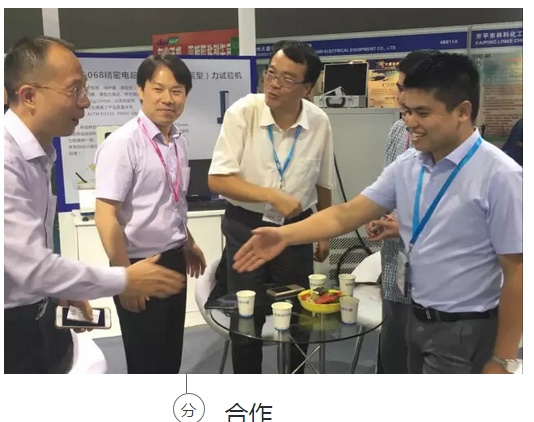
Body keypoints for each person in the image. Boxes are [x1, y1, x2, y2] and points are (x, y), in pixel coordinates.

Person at [234, 52, 523, 374]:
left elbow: (518, 272)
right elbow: (346, 214)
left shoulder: (500, 176)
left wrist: (503, 359)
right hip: (415, 316)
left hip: (465, 330)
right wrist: (283, 235)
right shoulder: (410, 164)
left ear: (462, 112)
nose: (410, 122)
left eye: (422, 113)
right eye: (407, 111)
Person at [4, 36, 186, 374]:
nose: (85, 102)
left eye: (177, 91)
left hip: (40, 311)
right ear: (29, 95)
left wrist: (59, 291)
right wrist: (122, 278)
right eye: (74, 90)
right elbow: (32, 266)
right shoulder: (7, 162)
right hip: (15, 327)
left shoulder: (38, 155)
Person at [208, 40, 334, 374]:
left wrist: (324, 232)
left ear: (307, 88)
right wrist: (271, 195)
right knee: (247, 315)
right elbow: (218, 180)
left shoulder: (319, 121)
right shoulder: (243, 113)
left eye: (287, 79)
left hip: (297, 229)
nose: (274, 84)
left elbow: (323, 182)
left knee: (298, 315)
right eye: (271, 73)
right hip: (246, 226)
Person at [94, 54, 206, 374]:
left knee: (170, 356)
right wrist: (125, 277)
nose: (168, 99)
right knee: (146, 363)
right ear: (140, 90)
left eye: (177, 91)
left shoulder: (178, 140)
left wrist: (187, 242)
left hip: (174, 258)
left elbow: (172, 200)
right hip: (138, 264)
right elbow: (105, 215)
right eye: (158, 89)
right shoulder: (123, 143)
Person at [365, 50, 439, 374]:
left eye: (407, 89)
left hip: (434, 284)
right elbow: (387, 190)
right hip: (395, 269)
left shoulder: (454, 143)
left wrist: (405, 226)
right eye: (398, 88)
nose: (400, 98)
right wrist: (379, 216)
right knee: (394, 356)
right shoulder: (398, 131)